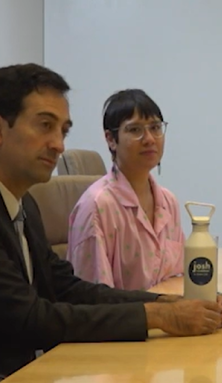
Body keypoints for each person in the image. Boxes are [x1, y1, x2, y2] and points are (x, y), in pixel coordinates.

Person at [0, 64, 222, 383]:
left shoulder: (18, 200)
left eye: (63, 131)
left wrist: (167, 303)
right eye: (45, 126)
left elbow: (65, 287)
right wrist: (160, 317)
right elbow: (29, 318)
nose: (58, 145)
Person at [67, 89, 184, 290]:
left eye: (155, 127)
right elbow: (93, 303)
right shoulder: (97, 206)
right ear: (111, 139)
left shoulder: (168, 201)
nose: (149, 139)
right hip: (126, 320)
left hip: (164, 316)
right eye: (135, 130)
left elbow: (178, 276)